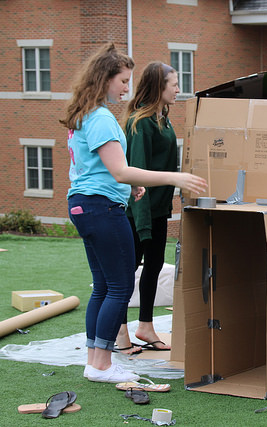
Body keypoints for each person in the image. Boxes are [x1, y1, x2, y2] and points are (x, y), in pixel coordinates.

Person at [60, 43, 207, 382]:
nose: (128, 87)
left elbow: (100, 170)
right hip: (101, 209)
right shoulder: (100, 119)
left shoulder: (84, 116)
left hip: (87, 204)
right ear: (104, 79)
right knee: (120, 286)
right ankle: (102, 365)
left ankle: (95, 360)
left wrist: (127, 188)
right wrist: (173, 176)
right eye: (123, 80)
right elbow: (122, 170)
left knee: (104, 285)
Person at [114, 62, 180, 354]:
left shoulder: (162, 120)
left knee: (152, 267)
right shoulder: (140, 123)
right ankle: (119, 332)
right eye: (174, 84)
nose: (178, 89)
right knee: (127, 272)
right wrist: (141, 222)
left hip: (158, 209)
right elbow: (136, 170)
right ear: (159, 87)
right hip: (137, 212)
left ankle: (146, 326)